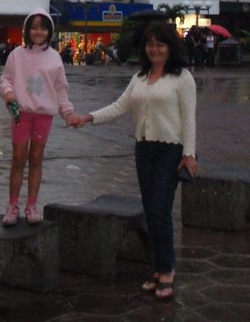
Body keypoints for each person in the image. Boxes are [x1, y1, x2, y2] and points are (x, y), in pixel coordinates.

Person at [72, 21, 197, 301]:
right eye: (150, 44)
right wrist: (89, 117)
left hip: (170, 150)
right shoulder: (140, 77)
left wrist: (189, 154)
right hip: (144, 149)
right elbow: (119, 107)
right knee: (150, 210)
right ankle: (158, 267)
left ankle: (167, 270)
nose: (155, 49)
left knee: (160, 211)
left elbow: (189, 119)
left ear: (169, 47)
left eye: (160, 44)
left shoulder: (182, 78)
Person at [0, 10, 77, 226]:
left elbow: (61, 90)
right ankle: (12, 205)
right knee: (18, 158)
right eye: (34, 27)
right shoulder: (16, 56)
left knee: (36, 159)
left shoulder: (55, 58)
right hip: (20, 113)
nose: (38, 32)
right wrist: (9, 93)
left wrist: (68, 113)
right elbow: (5, 79)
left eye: (43, 27)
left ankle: (31, 206)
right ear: (27, 30)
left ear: (49, 31)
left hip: (43, 116)